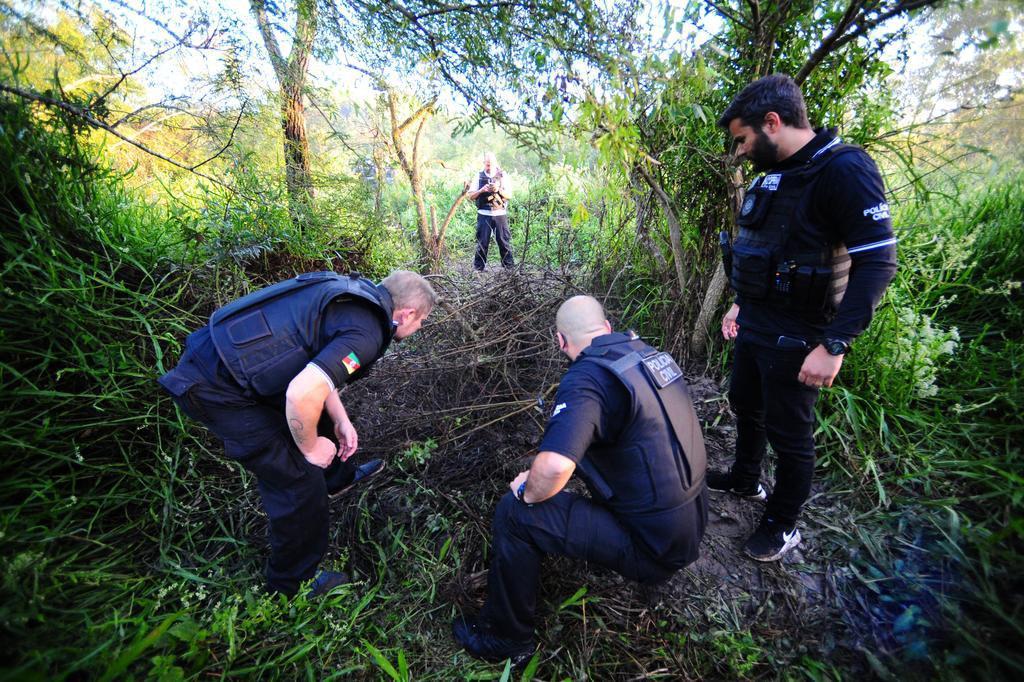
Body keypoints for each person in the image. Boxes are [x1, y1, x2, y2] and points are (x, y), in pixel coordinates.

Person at [453, 295, 708, 663]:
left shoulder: (588, 377)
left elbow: (555, 468)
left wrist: (528, 491)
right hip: (692, 522)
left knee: (515, 513)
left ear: (560, 341)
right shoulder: (648, 355)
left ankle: (506, 640)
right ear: (606, 328)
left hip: (653, 548)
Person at [158, 270, 437, 596]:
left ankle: (337, 480)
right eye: (422, 322)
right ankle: (292, 582)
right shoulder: (368, 332)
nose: (418, 329)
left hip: (232, 363)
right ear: (407, 314)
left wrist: (340, 418)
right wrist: (308, 449)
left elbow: (317, 366)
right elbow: (300, 394)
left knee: (317, 421)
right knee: (298, 479)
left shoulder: (352, 294)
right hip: (218, 389)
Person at [713, 74, 898, 562]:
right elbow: (761, 248)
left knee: (789, 432)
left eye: (743, 139)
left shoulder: (844, 169)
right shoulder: (775, 175)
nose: (740, 151)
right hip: (755, 321)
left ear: (772, 122)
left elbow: (878, 262)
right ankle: (745, 479)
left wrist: (835, 344)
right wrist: (739, 302)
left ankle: (782, 523)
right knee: (744, 404)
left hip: (800, 333)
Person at [468, 151, 514, 271]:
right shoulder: (478, 176)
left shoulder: (503, 175)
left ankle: (509, 268)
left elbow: (509, 195)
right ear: (484, 163)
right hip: (484, 214)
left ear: (496, 163)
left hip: (500, 214)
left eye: (491, 164)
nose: (489, 167)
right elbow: (471, 196)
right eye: (487, 164)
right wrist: (482, 190)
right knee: (482, 242)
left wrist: (498, 189)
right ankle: (478, 269)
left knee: (504, 241)